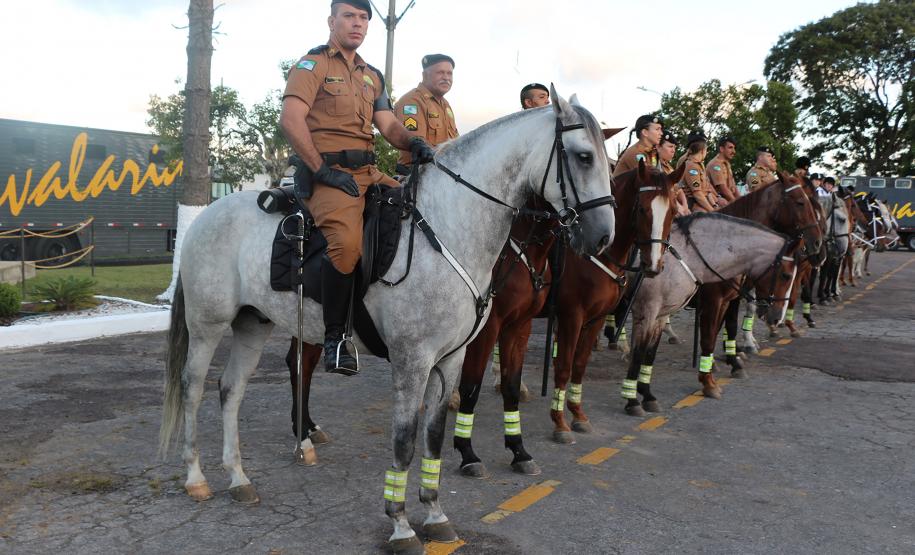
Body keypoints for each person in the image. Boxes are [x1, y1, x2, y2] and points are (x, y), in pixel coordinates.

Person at [279, 0, 435, 375]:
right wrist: (320, 170)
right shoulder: (312, 65)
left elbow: (388, 124)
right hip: (327, 175)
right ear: (332, 21)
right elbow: (291, 119)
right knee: (346, 246)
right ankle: (335, 339)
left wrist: (410, 142)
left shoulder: (372, 76)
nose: (358, 24)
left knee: (421, 213)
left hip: (369, 171)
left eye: (364, 18)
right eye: (350, 16)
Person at [393, 54, 459, 174]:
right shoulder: (412, 101)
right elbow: (418, 144)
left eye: (450, 73)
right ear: (425, 75)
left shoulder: (445, 105)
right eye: (440, 72)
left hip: (443, 174)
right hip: (417, 176)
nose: (446, 78)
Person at [677, 130, 718, 212]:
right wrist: (712, 211)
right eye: (706, 150)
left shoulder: (699, 165)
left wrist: (714, 205)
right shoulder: (692, 166)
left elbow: (707, 190)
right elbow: (697, 194)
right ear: (703, 150)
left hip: (702, 200)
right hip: (692, 203)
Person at [658, 131, 690, 217]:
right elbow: (663, 192)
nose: (673, 150)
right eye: (670, 147)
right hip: (665, 206)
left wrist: (685, 205)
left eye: (674, 147)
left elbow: (679, 189)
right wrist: (678, 207)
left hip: (675, 205)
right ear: (658, 147)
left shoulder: (669, 167)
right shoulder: (655, 166)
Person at [707, 136, 739, 204]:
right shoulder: (715, 164)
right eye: (730, 148)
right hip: (719, 201)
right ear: (721, 149)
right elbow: (722, 189)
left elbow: (733, 186)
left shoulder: (726, 164)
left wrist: (741, 200)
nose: (734, 151)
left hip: (728, 200)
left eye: (734, 148)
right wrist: (737, 203)